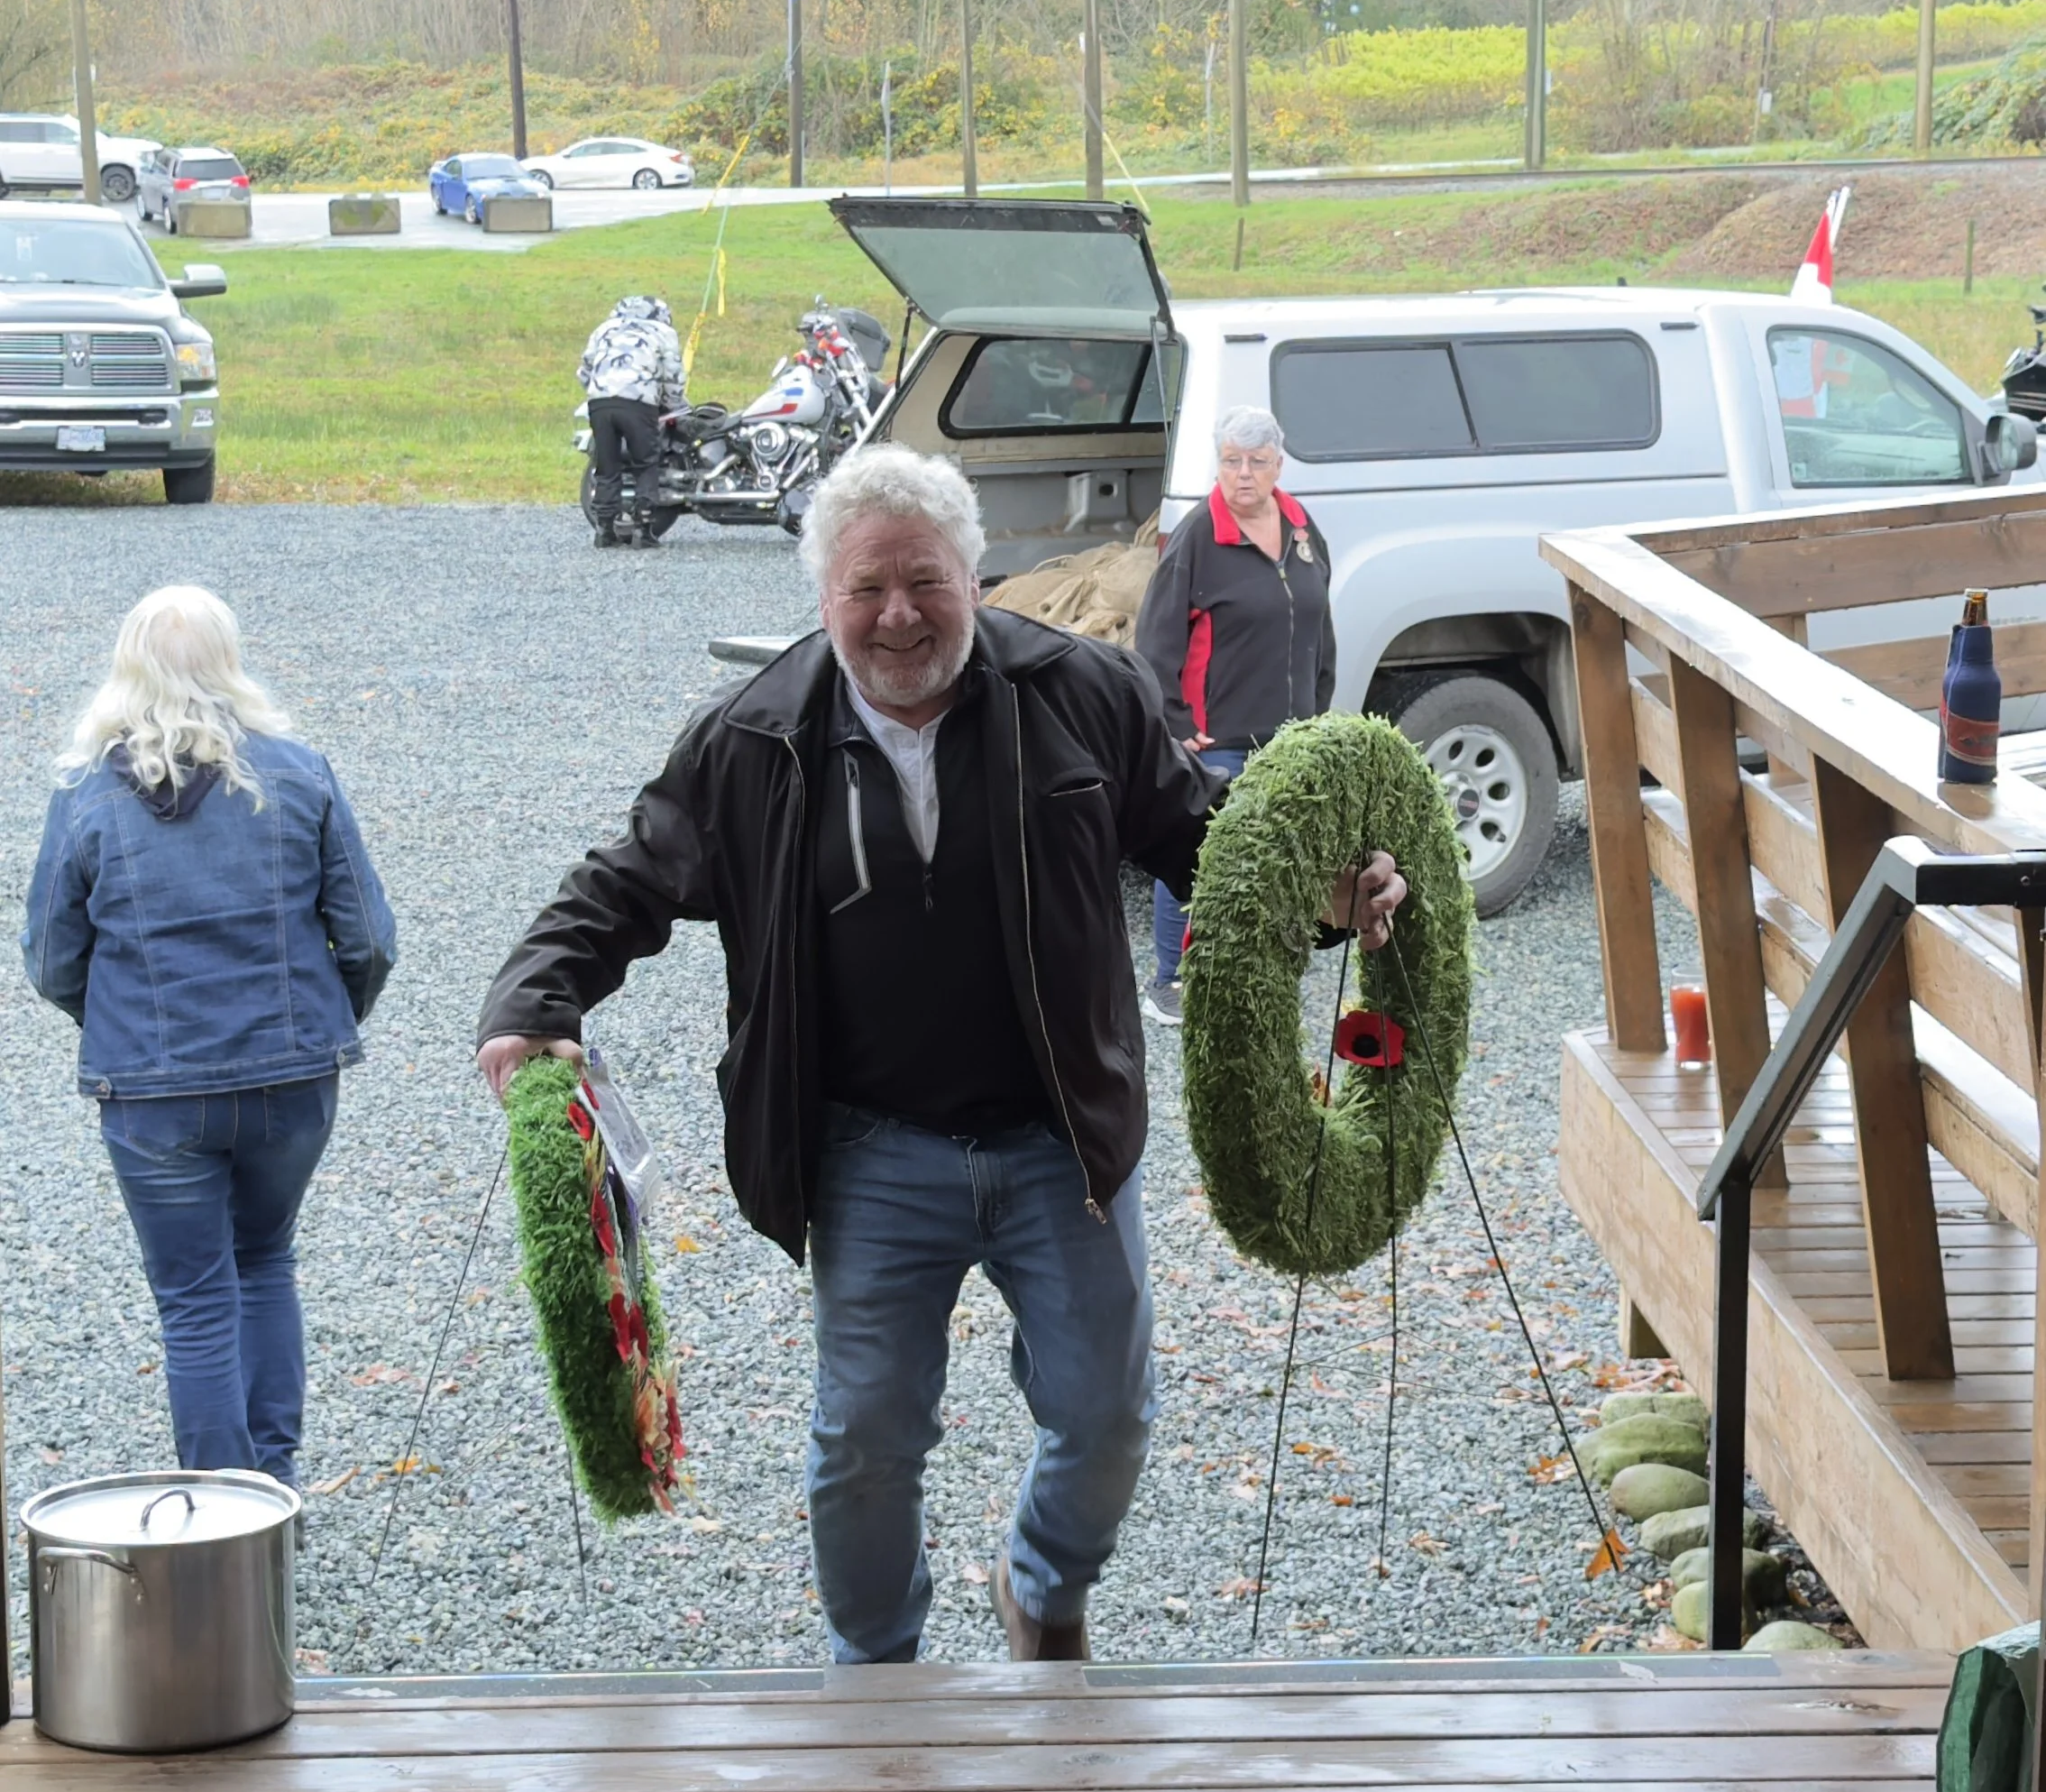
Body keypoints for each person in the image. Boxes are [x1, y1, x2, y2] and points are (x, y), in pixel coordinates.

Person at [476, 445, 1404, 1666]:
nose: (899, 613)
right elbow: (628, 878)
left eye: (926, 580)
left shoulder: (1085, 695)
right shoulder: (756, 737)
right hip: (869, 1147)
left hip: (1059, 1136)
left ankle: (1043, 1583)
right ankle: (876, 1667)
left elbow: (1205, 847)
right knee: (864, 1435)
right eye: (867, 588)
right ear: (824, 599)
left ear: (977, 575)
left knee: (1107, 1414)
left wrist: (1332, 901)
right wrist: (532, 999)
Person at [21, 586, 397, 1485]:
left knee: (194, 1300)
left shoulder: (85, 795)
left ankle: (221, 1517)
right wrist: (317, 1020)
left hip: (153, 1092)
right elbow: (370, 939)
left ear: (128, 668)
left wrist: (113, 1021)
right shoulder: (300, 771)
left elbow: (50, 958)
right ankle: (275, 1489)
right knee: (264, 1257)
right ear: (230, 662)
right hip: (291, 1080)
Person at [1133, 405, 1336, 1025]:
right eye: (1230, 461)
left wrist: (1318, 706)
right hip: (1215, 733)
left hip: (1289, 731)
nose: (1242, 475)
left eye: (1255, 462)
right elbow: (1156, 637)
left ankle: (1260, 972)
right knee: (1197, 854)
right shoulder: (1199, 534)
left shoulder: (1301, 527)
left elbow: (1318, 619)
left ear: (1277, 464)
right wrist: (1172, 722)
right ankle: (1171, 981)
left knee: (1278, 854)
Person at [578, 293, 687, 549]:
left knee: (607, 465)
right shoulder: (663, 332)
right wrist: (675, 406)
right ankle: (643, 530)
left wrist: (601, 390)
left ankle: (604, 529)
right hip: (639, 403)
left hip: (600, 403)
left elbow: (585, 370)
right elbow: (673, 377)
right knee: (646, 463)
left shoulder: (604, 329)